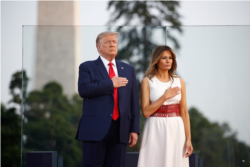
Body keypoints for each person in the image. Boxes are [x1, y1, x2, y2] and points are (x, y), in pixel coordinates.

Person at [75, 31, 140, 167]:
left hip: (121, 129)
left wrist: (134, 129)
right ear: (99, 47)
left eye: (114, 42)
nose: (112, 44)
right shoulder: (87, 67)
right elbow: (83, 90)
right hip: (94, 129)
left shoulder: (128, 69)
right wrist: (110, 84)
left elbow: (134, 102)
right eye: (108, 42)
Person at [137, 45, 193, 167]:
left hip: (176, 128)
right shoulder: (147, 81)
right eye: (164, 58)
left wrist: (188, 139)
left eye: (170, 58)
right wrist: (165, 96)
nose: (168, 61)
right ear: (156, 60)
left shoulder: (179, 81)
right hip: (155, 127)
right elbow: (146, 112)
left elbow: (184, 112)